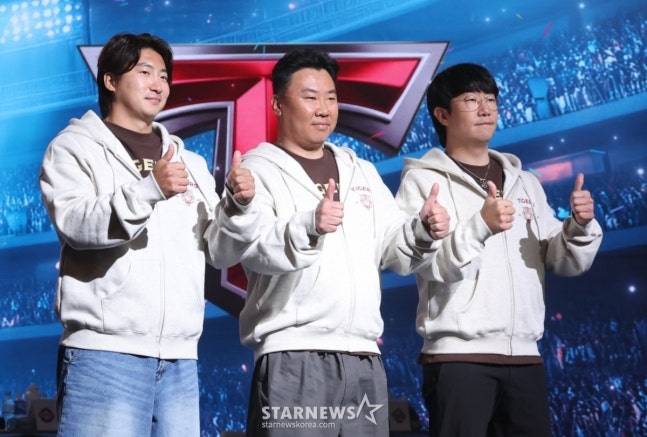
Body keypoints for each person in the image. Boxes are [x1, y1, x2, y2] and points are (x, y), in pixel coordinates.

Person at [211, 47, 450, 436]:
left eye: (331, 97)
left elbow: (393, 248)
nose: (323, 108)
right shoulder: (258, 172)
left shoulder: (361, 171)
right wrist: (310, 225)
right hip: (293, 355)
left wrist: (421, 231)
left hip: (364, 355)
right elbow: (252, 251)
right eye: (310, 97)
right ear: (277, 104)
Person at [39, 32, 254, 436]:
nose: (158, 84)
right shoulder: (73, 149)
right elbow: (77, 225)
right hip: (104, 354)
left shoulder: (190, 162)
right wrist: (150, 189)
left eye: (164, 76)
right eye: (145, 72)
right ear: (110, 80)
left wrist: (238, 207)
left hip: (180, 357)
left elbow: (219, 251)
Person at [395, 62, 603, 436]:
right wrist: (482, 225)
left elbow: (562, 261)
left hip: (525, 357)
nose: (486, 109)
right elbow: (426, 264)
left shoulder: (526, 183)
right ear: (442, 115)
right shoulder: (423, 182)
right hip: (457, 357)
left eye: (490, 99)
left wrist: (579, 226)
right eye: (471, 100)